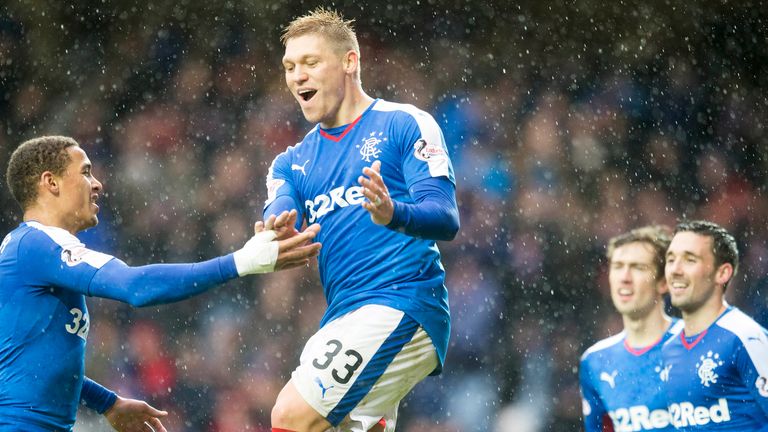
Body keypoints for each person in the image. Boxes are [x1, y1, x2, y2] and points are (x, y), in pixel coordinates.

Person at [0, 136, 321, 431]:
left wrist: (107, 402)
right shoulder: (37, 244)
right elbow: (135, 286)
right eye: (85, 172)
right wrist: (242, 261)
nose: (96, 184)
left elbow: (33, 361)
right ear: (50, 182)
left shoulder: (28, 250)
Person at [263, 8, 460, 432]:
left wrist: (394, 213)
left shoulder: (405, 124)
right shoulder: (290, 162)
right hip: (343, 316)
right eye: (290, 67)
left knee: (290, 416)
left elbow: (445, 217)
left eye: (311, 63)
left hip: (402, 301)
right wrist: (274, 229)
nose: (298, 76)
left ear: (350, 61)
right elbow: (278, 206)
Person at [662, 220, 768, 430]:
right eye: (670, 259)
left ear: (723, 273)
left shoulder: (745, 338)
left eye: (690, 260)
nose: (675, 270)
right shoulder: (669, 349)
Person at [579, 225, 682, 431]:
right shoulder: (595, 361)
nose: (624, 277)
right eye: (617, 266)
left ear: (663, 282)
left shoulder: (699, 343)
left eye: (638, 267)